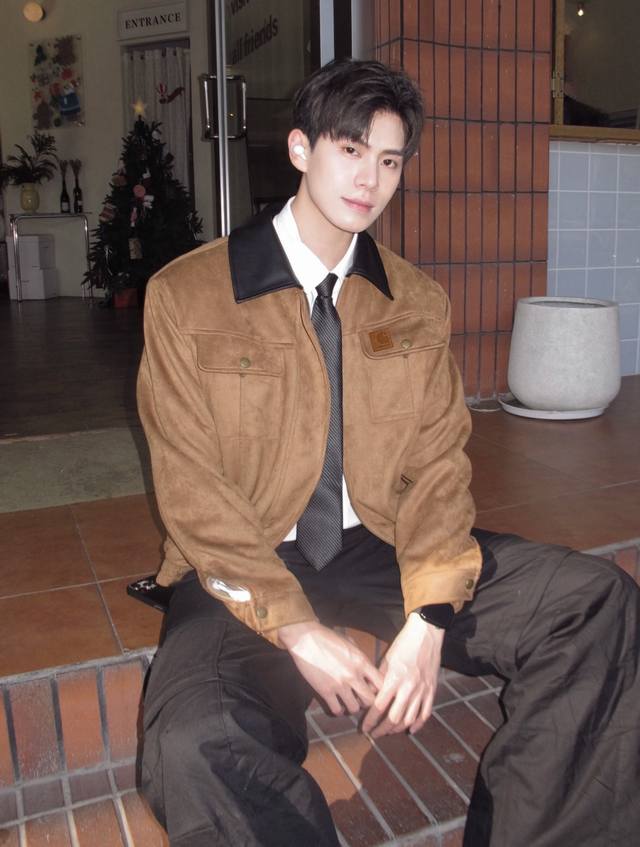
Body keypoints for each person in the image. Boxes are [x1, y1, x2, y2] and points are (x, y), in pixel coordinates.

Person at [137, 58, 640, 846]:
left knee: (594, 602)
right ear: (300, 149)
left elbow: (439, 464)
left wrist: (431, 611)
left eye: (390, 160)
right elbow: (192, 495)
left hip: (379, 542)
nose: (370, 179)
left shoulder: (414, 300)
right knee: (190, 739)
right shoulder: (189, 295)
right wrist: (297, 629)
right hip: (248, 558)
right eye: (350, 150)